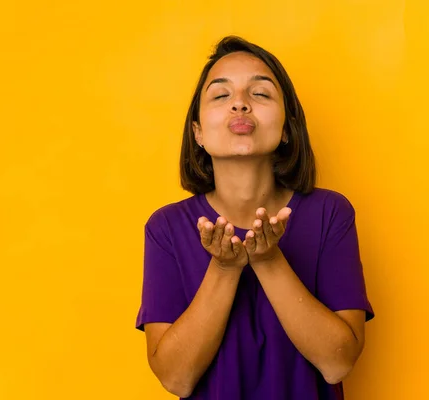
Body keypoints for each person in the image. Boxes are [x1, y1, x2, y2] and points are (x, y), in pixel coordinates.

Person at [135, 35, 374, 400]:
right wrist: (224, 268)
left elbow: (337, 363)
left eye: (260, 94)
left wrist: (268, 260)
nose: (240, 105)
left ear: (286, 130)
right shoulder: (166, 228)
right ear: (197, 132)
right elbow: (175, 378)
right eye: (221, 95)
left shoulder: (331, 214)